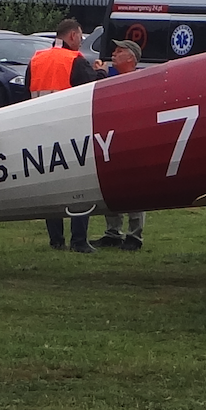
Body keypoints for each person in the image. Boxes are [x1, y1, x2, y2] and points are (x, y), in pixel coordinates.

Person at [26, 18, 105, 253]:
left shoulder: (36, 59)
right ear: (71, 36)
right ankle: (78, 241)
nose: (81, 41)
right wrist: (100, 72)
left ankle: (56, 240)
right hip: (71, 132)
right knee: (79, 187)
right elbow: (92, 90)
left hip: (41, 132)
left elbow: (25, 95)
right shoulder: (75, 60)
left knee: (51, 187)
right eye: (80, 36)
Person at [95, 39, 147, 251]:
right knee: (112, 187)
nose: (113, 54)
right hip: (111, 140)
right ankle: (113, 232)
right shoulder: (110, 79)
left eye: (119, 51)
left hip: (134, 141)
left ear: (131, 58)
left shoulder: (141, 80)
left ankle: (135, 236)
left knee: (135, 190)